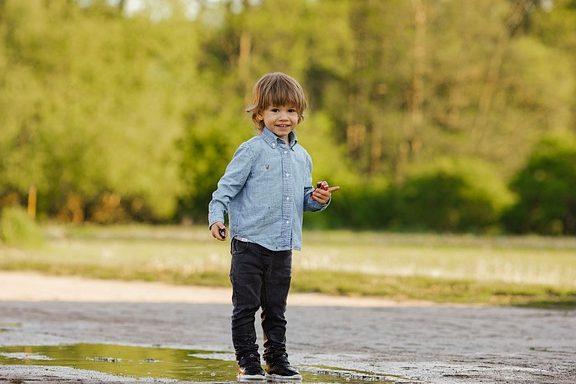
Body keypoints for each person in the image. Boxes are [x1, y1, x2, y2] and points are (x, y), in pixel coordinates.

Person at [208, 72, 338, 382]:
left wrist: (317, 198)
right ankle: (248, 361)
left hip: (282, 247)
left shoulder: (302, 157)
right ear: (259, 114)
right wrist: (216, 217)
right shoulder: (251, 151)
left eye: (291, 111)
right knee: (246, 306)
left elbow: (302, 199)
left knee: (276, 310)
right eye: (275, 110)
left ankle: (277, 359)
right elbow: (224, 189)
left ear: (300, 115)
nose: (284, 118)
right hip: (249, 243)